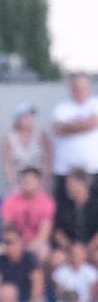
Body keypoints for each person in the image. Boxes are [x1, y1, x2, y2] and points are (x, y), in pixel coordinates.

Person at [52, 73, 98, 208]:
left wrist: (71, 125)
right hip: (65, 170)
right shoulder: (62, 107)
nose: (79, 90)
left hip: (93, 169)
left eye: (83, 87)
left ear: (89, 88)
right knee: (64, 209)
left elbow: (94, 123)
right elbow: (59, 130)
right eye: (76, 87)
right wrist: (85, 124)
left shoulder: (95, 104)